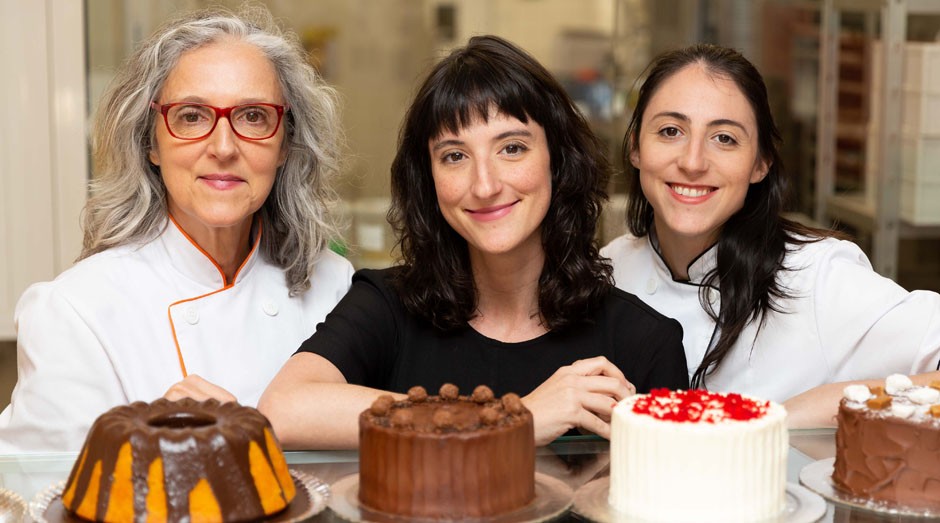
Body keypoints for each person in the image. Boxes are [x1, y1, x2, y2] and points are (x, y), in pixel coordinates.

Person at [259, 35, 688, 449]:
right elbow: (283, 410)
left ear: (557, 161)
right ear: (428, 179)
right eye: (455, 156)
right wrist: (507, 420)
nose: (484, 185)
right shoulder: (387, 307)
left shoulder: (642, 341)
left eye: (512, 148)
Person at [0, 6, 353, 453]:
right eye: (190, 116)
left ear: (285, 144)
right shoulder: (75, 311)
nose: (223, 147)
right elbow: (31, 500)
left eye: (253, 116)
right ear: (151, 142)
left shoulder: (336, 285)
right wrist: (148, 448)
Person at [601, 43, 940, 427]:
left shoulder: (815, 276)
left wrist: (807, 411)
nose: (692, 162)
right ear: (635, 149)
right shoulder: (612, 267)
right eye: (670, 131)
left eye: (724, 138)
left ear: (760, 163)